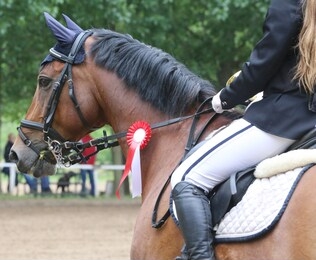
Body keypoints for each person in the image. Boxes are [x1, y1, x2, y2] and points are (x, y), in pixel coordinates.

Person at [171, 0, 316, 259]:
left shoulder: (291, 4)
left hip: (285, 119)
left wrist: (225, 99)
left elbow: (263, 63)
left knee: (186, 178)